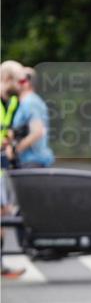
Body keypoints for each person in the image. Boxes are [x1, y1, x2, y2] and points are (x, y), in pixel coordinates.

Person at [0, 61, 26, 279]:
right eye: (19, 80)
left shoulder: (12, 102)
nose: (22, 84)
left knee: (3, 215)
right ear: (7, 79)